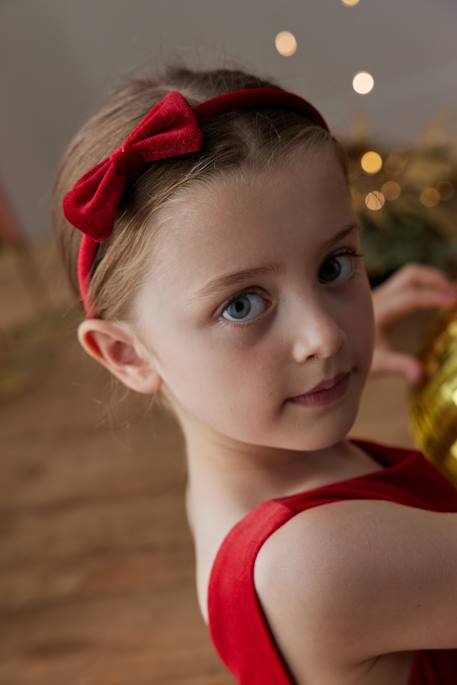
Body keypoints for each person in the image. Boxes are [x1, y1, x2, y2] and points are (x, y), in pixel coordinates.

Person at [52, 62, 457, 684]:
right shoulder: (320, 560)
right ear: (127, 355)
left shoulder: (233, 481)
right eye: (241, 305)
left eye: (333, 265)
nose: (324, 334)